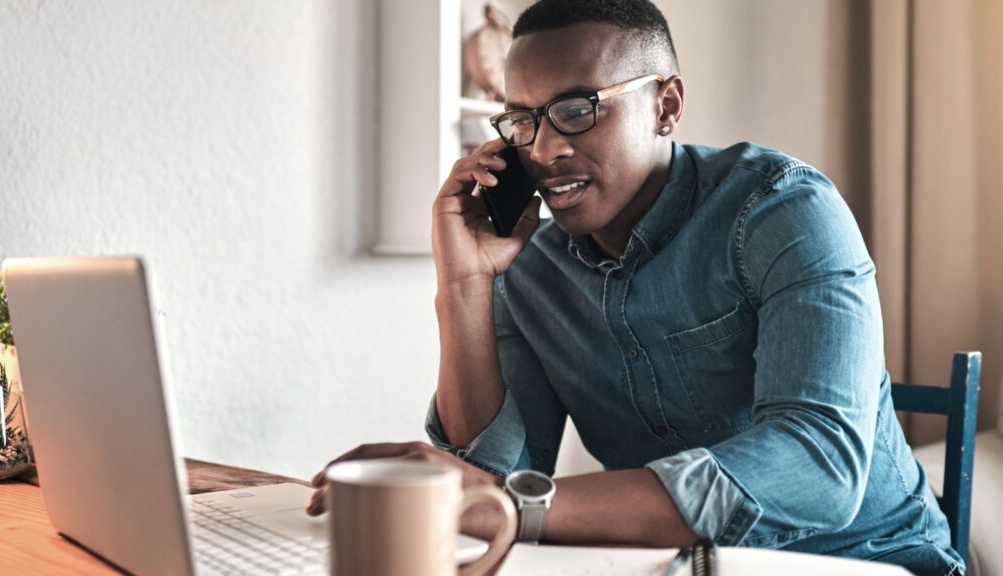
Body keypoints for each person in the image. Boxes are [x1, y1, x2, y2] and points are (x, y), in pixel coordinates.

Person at [308, 1, 962, 574]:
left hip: (867, 562)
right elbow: (491, 479)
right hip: (668, 566)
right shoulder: (528, 261)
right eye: (523, 120)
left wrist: (509, 506)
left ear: (666, 106)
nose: (544, 150)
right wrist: (464, 285)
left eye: (576, 110)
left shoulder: (782, 212)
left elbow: (818, 466)